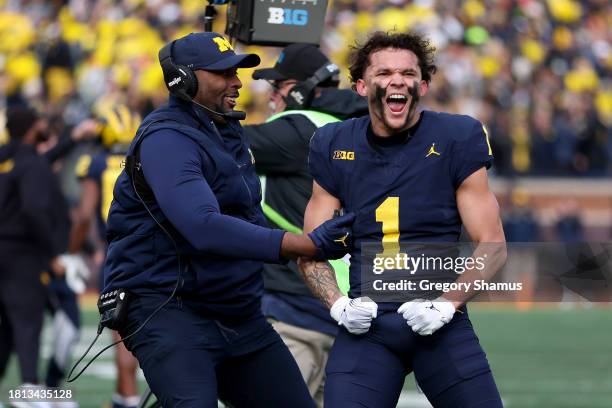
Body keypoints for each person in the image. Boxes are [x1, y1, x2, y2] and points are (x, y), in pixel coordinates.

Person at [102, 32, 354, 407]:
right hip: (169, 307)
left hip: (237, 310)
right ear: (184, 79)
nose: (237, 82)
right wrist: (301, 244)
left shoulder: (227, 131)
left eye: (235, 72)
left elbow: (245, 217)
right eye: (223, 73)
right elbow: (202, 225)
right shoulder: (166, 138)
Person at [299, 31, 507, 407]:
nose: (397, 80)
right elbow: (311, 247)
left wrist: (446, 304)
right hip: (370, 326)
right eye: (384, 73)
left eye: (408, 73)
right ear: (362, 86)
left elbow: (492, 243)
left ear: (423, 85)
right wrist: (337, 305)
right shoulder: (333, 143)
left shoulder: (456, 136)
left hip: (439, 322)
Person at [244, 43, 368, 405]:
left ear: (299, 88)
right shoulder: (357, 127)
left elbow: (216, 143)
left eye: (277, 86)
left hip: (299, 306)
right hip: (355, 304)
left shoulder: (301, 127)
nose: (271, 96)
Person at [69, 105, 142, 408]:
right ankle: (121, 396)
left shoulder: (95, 162)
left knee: (121, 331)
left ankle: (128, 399)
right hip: (150, 249)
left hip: (119, 253)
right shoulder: (144, 157)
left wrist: (72, 252)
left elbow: (85, 214)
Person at [0, 106, 68, 392]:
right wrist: (52, 253)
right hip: (22, 252)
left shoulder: (7, 159)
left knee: (5, 324)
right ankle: (30, 388)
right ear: (31, 129)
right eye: (40, 121)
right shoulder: (33, 164)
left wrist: (73, 139)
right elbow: (33, 210)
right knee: (28, 320)